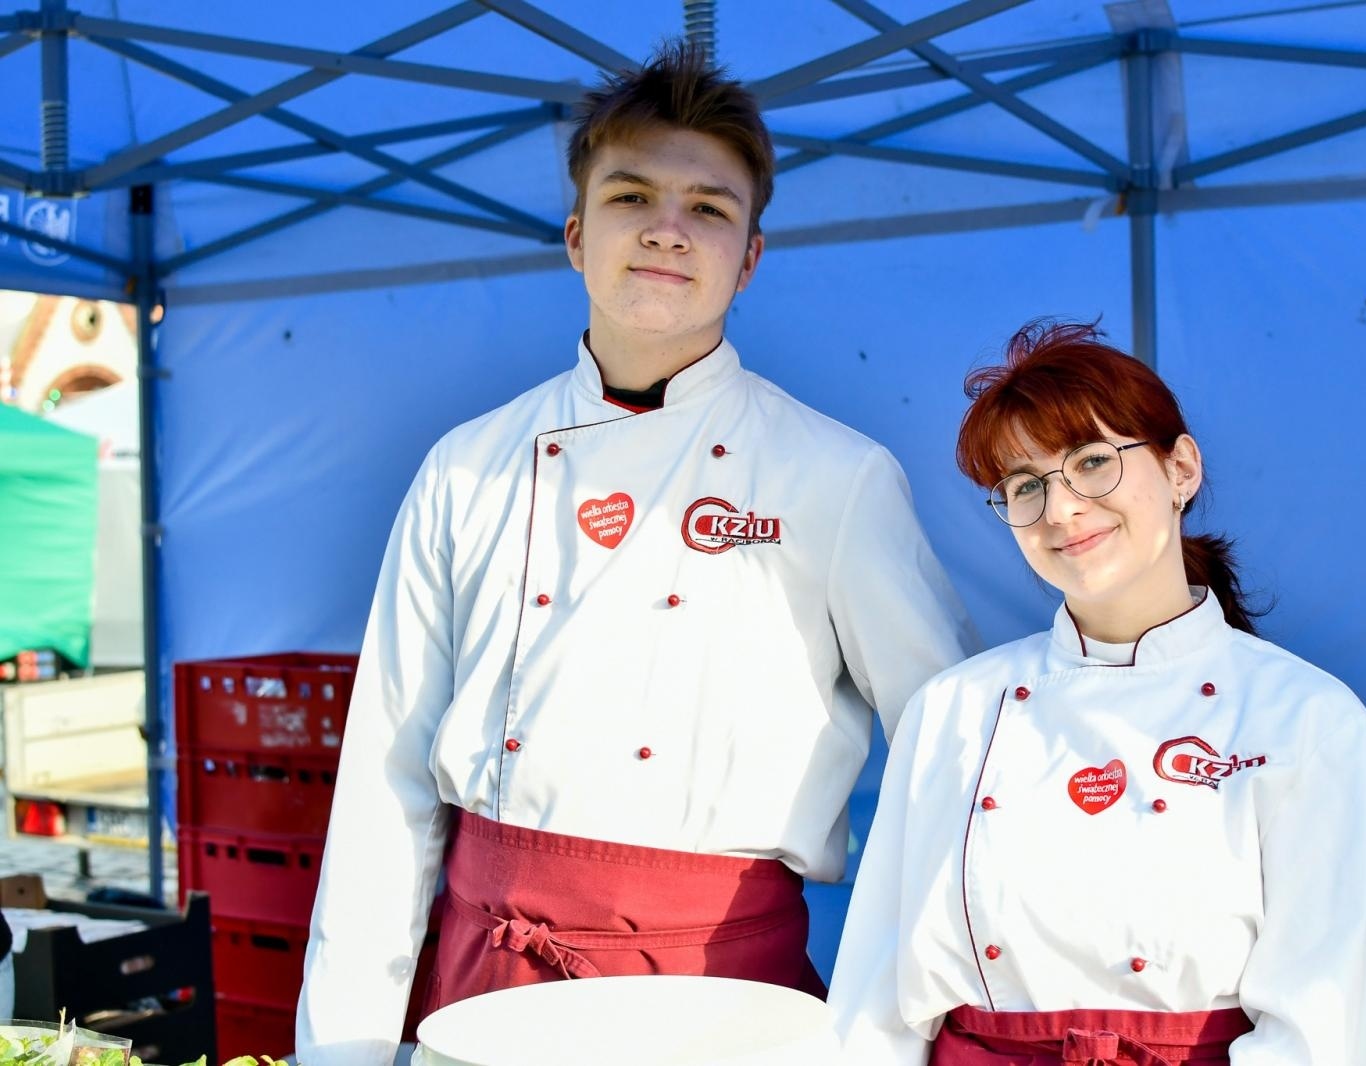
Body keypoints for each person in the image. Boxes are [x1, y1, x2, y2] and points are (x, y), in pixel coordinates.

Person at [293, 40, 976, 1065]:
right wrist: (340, 1048)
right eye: (630, 197)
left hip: (722, 991)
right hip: (489, 977)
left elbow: (954, 763)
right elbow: (386, 783)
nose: (666, 231)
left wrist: (903, 1026)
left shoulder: (836, 478)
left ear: (749, 256)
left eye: (708, 208)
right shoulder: (465, 468)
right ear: (575, 235)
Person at [829, 320, 1366, 1064]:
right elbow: (875, 999)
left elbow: (1330, 1027)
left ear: (1181, 471)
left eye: (1093, 462)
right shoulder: (955, 710)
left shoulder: (1307, 723)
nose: (1062, 509)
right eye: (1024, 486)